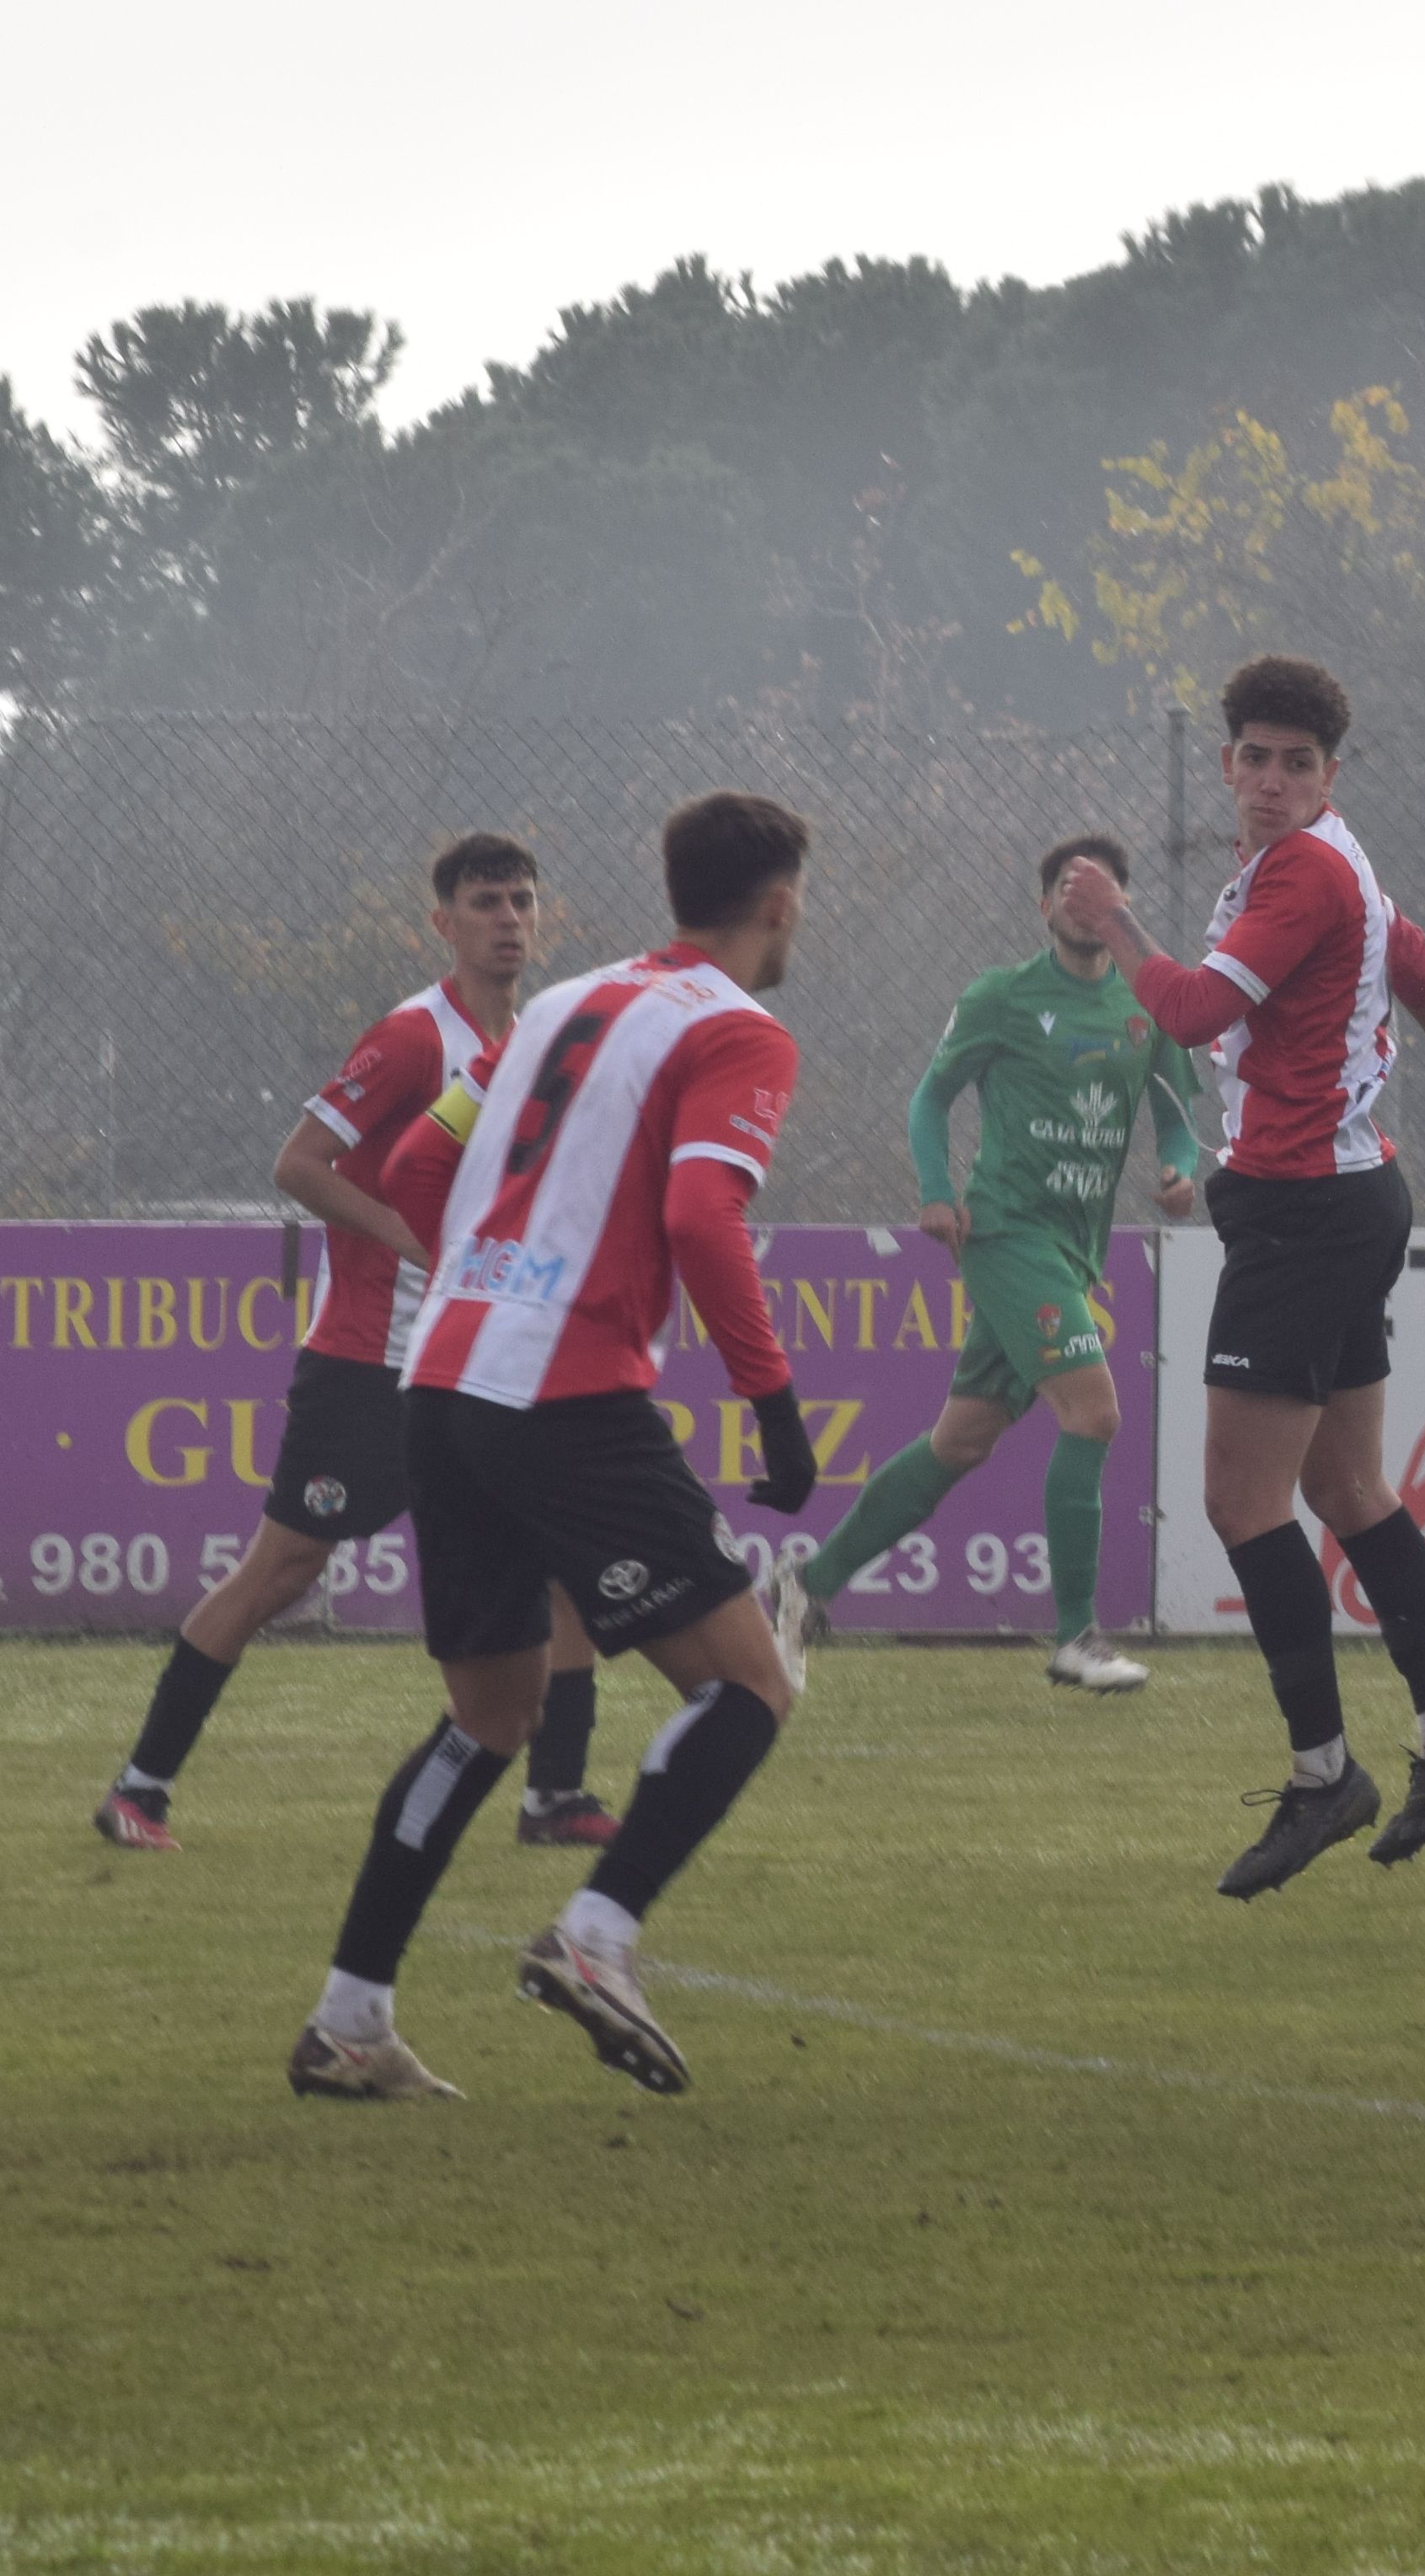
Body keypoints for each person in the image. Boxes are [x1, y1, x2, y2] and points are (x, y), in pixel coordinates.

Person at [285, 793, 826, 2104]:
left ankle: (350, 2021)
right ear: (781, 902)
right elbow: (704, 1215)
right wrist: (771, 1401)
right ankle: (596, 1939)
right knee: (748, 1688)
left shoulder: (558, 1005)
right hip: (563, 1391)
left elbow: (414, 1166)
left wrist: (483, 1273)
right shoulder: (741, 1030)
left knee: (488, 1719)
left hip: (447, 1378)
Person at [1057, 655, 1425, 1896]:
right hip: (1345, 1197)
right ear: (1227, 763)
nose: (1270, 780)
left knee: (1240, 1502)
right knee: (1350, 1484)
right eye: (1254, 758)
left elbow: (1198, 1011)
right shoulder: (1334, 863)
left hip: (1307, 1213)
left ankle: (1327, 1774)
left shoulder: (1306, 870)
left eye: (1295, 763)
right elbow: (1414, 960)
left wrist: (1113, 921)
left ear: (1330, 774)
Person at [100, 835, 624, 1851]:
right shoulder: (413, 1039)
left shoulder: (542, 1038)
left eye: (522, 900)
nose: (509, 918)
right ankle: (139, 1785)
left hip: (484, 1354)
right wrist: (408, 1235)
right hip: (372, 1360)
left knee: (565, 1563)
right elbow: (299, 1165)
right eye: (486, 902)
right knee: (285, 1567)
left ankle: (554, 1796)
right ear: (444, 922)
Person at [772, 833, 1203, 1690]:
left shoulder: (1149, 1005)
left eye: (1103, 893)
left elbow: (1179, 1118)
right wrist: (937, 1187)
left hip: (1076, 1250)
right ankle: (1077, 1636)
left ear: (1120, 909)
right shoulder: (1003, 997)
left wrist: (1181, 1169)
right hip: (1006, 1233)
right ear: (1045, 906)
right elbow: (931, 1096)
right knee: (1094, 1413)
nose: (1086, 907)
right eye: (1071, 893)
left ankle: (802, 1585)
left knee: (960, 1442)